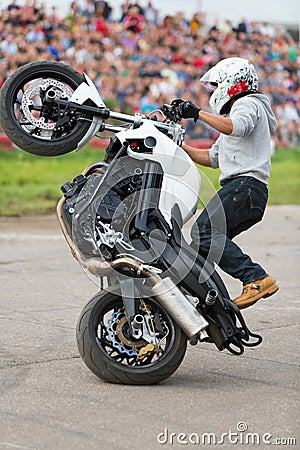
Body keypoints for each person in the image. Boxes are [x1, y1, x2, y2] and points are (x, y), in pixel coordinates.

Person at [171, 57, 279, 309]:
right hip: (245, 192)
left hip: (245, 187)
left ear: (232, 82)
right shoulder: (234, 114)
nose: (215, 91)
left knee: (203, 232)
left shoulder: (248, 103)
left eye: (217, 85)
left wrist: (197, 113)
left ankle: (256, 277)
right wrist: (177, 146)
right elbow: (211, 157)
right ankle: (206, 304)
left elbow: (237, 127)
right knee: (202, 247)